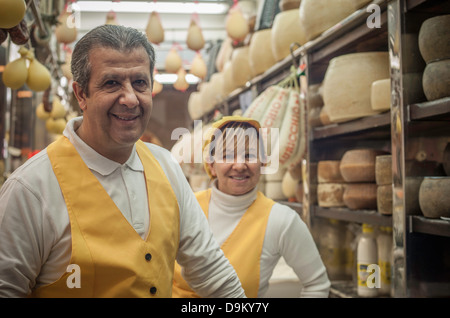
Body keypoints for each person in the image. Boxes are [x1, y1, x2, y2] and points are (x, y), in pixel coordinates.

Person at [0, 25, 245, 298]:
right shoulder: (30, 189)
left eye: (140, 82)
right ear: (81, 94)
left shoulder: (166, 167)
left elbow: (209, 268)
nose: (130, 99)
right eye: (111, 83)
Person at [172, 116, 331, 298]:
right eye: (227, 155)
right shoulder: (185, 208)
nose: (240, 165)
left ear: (262, 163)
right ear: (211, 165)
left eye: (249, 155)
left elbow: (317, 285)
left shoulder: (280, 220)